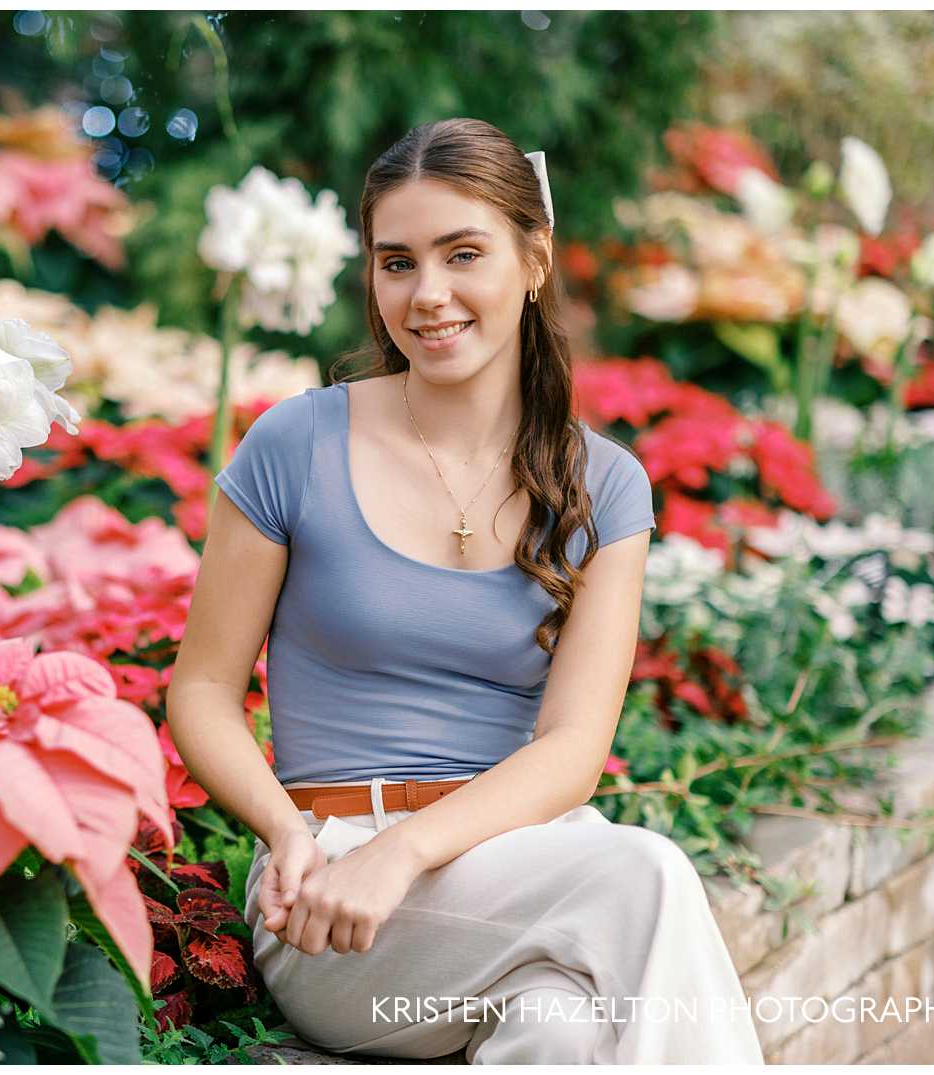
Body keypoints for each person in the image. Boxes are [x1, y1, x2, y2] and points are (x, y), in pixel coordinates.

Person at [165, 118, 764, 1064]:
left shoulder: (603, 485)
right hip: (335, 906)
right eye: (397, 261)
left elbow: (573, 747)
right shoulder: (295, 445)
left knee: (564, 1035)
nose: (428, 294)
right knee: (644, 873)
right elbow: (201, 687)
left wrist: (407, 848)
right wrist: (293, 836)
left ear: (535, 259)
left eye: (463, 254)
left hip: (525, 867)